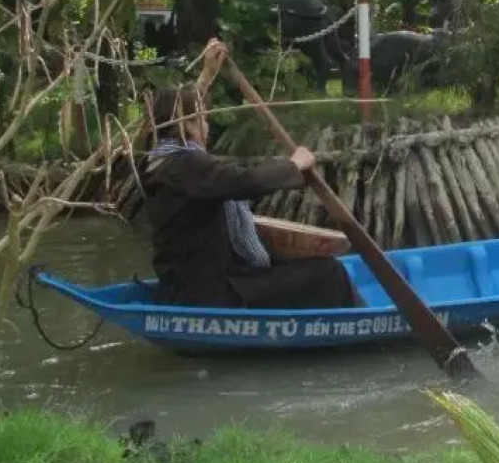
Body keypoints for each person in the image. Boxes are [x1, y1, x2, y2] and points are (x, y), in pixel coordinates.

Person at [141, 44, 362, 309]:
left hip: (193, 284)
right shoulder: (184, 164)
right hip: (213, 292)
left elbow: (184, 112)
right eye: (200, 120)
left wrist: (207, 74)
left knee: (307, 265)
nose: (206, 125)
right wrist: (293, 165)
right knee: (329, 272)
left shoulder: (158, 160)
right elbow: (247, 181)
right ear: (184, 125)